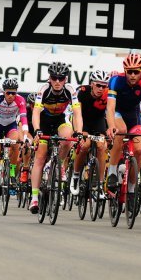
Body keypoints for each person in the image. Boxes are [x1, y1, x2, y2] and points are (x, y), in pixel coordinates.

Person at [30, 61, 83, 213]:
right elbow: (35, 112)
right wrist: (38, 130)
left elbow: (77, 113)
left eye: (61, 78)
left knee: (68, 138)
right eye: (54, 78)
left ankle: (59, 165)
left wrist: (79, 132)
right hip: (44, 123)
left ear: (66, 79)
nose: (57, 81)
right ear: (50, 78)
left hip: (60, 120)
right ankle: (34, 198)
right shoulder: (44, 89)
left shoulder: (70, 90)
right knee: (40, 157)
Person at [105, 54, 141, 193]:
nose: (133, 75)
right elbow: (110, 107)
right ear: (125, 71)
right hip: (118, 112)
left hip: (134, 114)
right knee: (120, 130)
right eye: (129, 72)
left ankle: (132, 188)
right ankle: (112, 172)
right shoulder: (116, 80)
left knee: (139, 150)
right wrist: (111, 126)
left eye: (136, 72)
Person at [70, 69, 111, 196]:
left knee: (101, 146)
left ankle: (99, 183)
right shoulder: (82, 91)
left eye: (104, 86)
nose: (101, 88)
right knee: (85, 145)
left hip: (98, 121)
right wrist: (79, 132)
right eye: (98, 85)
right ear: (92, 84)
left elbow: (110, 113)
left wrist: (110, 130)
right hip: (83, 120)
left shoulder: (108, 94)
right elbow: (77, 115)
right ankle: (76, 175)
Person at [0, 78, 28, 193]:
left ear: (16, 92)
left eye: (13, 93)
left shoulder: (20, 100)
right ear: (4, 92)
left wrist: (25, 136)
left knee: (15, 144)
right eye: (8, 93)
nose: (10, 95)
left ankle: (12, 172)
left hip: (11, 125)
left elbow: (24, 119)